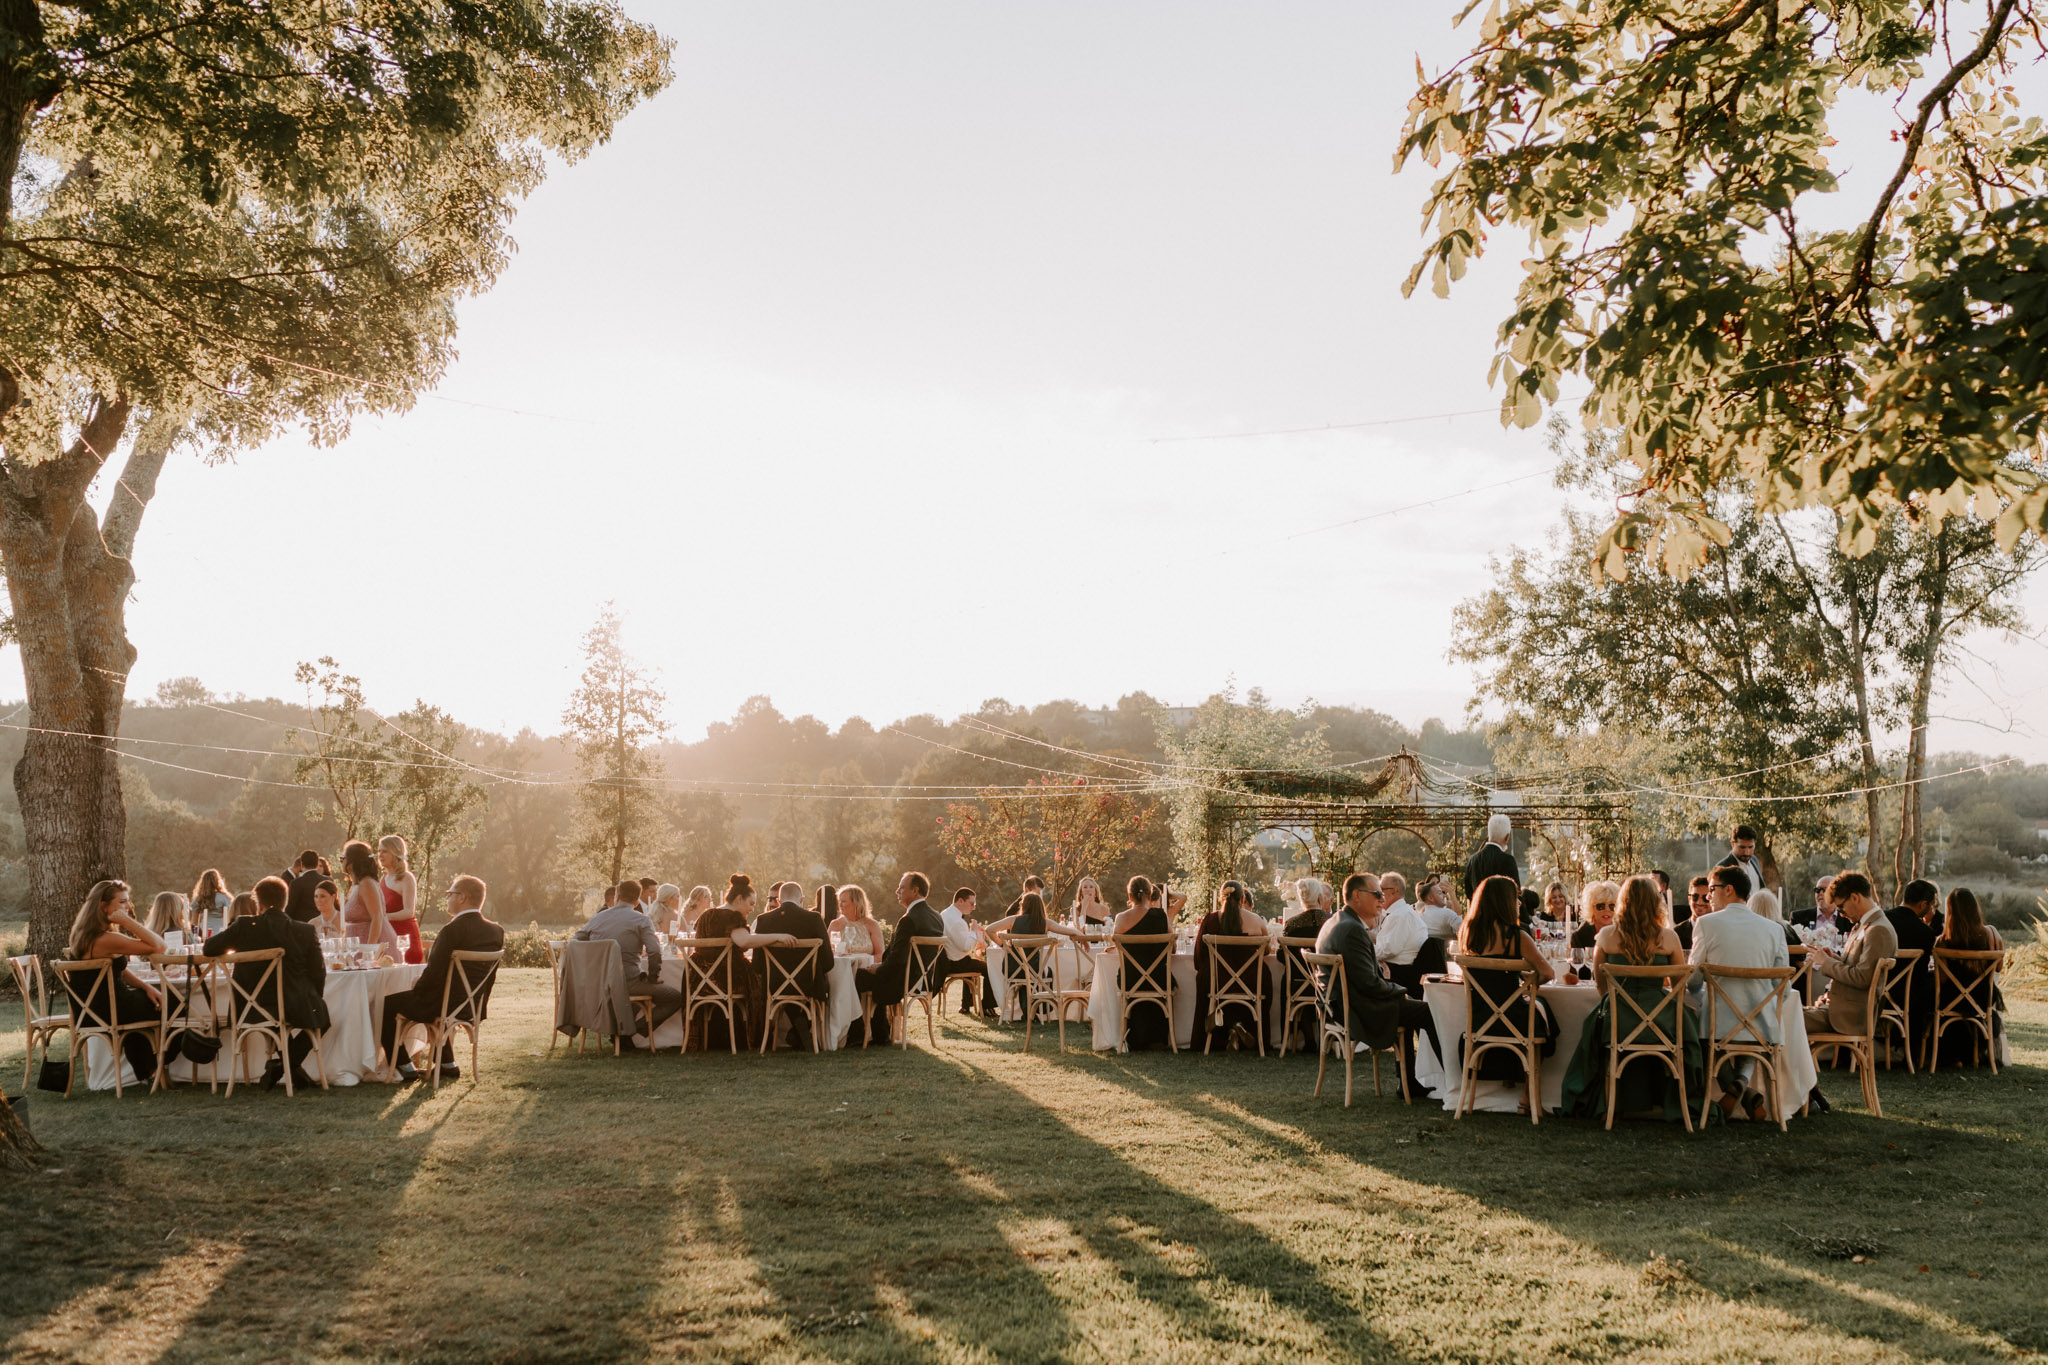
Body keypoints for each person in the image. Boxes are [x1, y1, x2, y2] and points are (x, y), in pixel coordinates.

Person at [1559, 874, 1697, 1121]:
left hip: (1618, 1021)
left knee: (1595, 1024)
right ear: (1656, 903)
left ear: (1623, 901)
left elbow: (1602, 987)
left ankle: (1604, 1104)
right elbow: (1680, 988)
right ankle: (1681, 1103)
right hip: (1662, 1023)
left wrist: (1622, 1005)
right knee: (1693, 1025)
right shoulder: (1669, 938)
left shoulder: (1607, 936)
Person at [1315, 871, 1441, 1094]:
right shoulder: (1352, 930)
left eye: (1383, 895)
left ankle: (1409, 1083)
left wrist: (1398, 993)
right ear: (1356, 896)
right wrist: (1400, 990)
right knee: (1430, 1012)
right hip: (1357, 1009)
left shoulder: (1336, 921)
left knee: (1411, 1008)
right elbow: (1369, 984)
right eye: (1376, 894)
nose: (1382, 900)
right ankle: (1455, 1079)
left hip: (1338, 1005)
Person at [204, 875, 331, 1091]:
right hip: (295, 1005)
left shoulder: (244, 926)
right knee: (322, 1016)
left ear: (259, 903)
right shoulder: (304, 930)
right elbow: (319, 973)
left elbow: (209, 949)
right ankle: (283, 1066)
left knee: (283, 1021)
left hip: (250, 1008)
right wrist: (313, 997)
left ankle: (280, 1066)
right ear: (285, 901)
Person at [378, 875, 505, 1082]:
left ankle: (405, 1066)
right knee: (438, 999)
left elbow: (434, 973)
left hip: (441, 1005)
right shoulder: (495, 931)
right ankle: (447, 1064)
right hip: (469, 1004)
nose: (447, 898)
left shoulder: (451, 930)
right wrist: (476, 1005)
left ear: (462, 897)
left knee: (385, 1004)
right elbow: (488, 978)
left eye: (450, 894)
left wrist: (417, 987)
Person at [1687, 864, 1789, 1119]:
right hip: (1763, 1025)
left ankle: (1736, 1089)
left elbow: (1692, 981)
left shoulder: (1706, 924)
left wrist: (1700, 990)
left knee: (1699, 1029)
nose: (1708, 897)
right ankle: (1743, 1086)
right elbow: (1783, 991)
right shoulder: (1774, 929)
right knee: (1753, 1031)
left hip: (1717, 1024)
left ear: (1729, 890)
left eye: (1712, 890)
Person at [1456, 874, 1559, 1099]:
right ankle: (1527, 1096)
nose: (1519, 904)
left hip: (1480, 1019)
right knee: (1541, 1009)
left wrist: (1516, 974)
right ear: (1503, 902)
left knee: (1536, 1009)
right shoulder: (1516, 936)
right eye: (1515, 898)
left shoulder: (1467, 932)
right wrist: (1528, 985)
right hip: (1513, 1020)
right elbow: (1547, 973)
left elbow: (1485, 974)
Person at [67, 879, 177, 1083]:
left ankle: (148, 1070)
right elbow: (160, 946)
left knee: (149, 1002)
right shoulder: (106, 939)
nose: (128, 907)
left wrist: (145, 986)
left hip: (91, 1010)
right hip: (112, 1009)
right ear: (104, 905)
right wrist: (128, 922)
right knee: (176, 1003)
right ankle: (160, 1065)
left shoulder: (81, 934)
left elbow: (118, 970)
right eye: (122, 902)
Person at [576, 878, 685, 1039]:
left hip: (599, 982)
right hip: (629, 982)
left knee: (634, 997)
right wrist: (653, 977)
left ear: (618, 896)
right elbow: (654, 951)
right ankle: (633, 1031)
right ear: (637, 900)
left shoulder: (597, 919)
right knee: (675, 998)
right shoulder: (641, 919)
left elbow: (576, 942)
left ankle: (623, 1031)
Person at [1803, 871, 1899, 1046]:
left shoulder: (1878, 930)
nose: (1841, 913)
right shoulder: (1866, 925)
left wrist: (1826, 963)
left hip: (1848, 1016)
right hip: (1839, 1008)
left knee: (1784, 1017)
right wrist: (1833, 959)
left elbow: (1863, 978)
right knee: (1785, 1013)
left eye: (1840, 907)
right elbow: (1859, 967)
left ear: (1855, 897)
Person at [689, 875, 782, 1050]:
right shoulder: (732, 917)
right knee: (765, 980)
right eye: (751, 903)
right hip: (727, 979)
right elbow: (744, 941)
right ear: (739, 899)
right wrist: (777, 937)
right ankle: (758, 1038)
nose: (751, 909)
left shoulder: (706, 915)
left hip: (699, 979)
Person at [858, 872, 947, 1045]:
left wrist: (879, 968)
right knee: (874, 974)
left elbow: (898, 958)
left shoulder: (909, 919)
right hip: (926, 980)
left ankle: (870, 1034)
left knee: (859, 977)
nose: (897, 891)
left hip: (905, 980)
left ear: (915, 891)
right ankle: (882, 1033)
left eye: (901, 887)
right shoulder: (936, 916)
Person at [750, 882, 833, 1049]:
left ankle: (798, 1027)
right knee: (824, 983)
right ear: (802, 900)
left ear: (779, 901)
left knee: (787, 984)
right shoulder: (814, 918)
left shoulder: (763, 920)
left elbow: (757, 966)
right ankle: (804, 1028)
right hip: (809, 984)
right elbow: (828, 962)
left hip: (775, 985)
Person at [1930, 887, 2005, 1068]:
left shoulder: (1942, 941)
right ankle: (1975, 1054)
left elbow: (1941, 980)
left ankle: (1952, 1056)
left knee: (1933, 1000)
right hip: (1981, 998)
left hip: (1952, 999)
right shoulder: (1991, 935)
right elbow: (1999, 968)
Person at [1193, 880, 1267, 1051]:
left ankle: (1223, 1032)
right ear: (1242, 899)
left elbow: (1199, 957)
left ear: (1221, 898)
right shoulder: (1256, 921)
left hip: (1218, 981)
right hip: (1250, 982)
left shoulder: (1210, 920)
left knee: (1204, 977)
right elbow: (1267, 951)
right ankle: (1240, 1026)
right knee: (1265, 979)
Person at [1111, 876, 1174, 1051]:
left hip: (1130, 979)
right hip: (1159, 979)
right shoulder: (1160, 916)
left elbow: (1118, 947)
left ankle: (1133, 1036)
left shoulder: (1121, 918)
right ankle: (1160, 1038)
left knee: (1130, 979)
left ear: (1130, 897)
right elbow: (1173, 948)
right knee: (1169, 981)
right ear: (1150, 895)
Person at [341, 840, 400, 960]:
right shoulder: (356, 885)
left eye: (343, 858)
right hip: (356, 947)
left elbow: (377, 916)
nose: (341, 861)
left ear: (351, 864)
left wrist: (369, 952)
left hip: (371, 946)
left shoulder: (366, 883)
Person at [939, 887, 989, 1016]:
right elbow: (966, 946)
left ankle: (966, 1005)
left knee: (969, 961)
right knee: (989, 968)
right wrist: (973, 931)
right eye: (971, 904)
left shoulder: (944, 913)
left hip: (946, 960)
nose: (973, 907)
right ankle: (988, 1006)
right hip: (955, 963)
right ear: (960, 901)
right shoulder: (957, 921)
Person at [377, 835, 424, 965]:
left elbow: (409, 912)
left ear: (395, 852)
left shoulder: (407, 878)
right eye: (379, 851)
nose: (380, 855)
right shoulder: (384, 878)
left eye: (384, 851)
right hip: (388, 938)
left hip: (405, 939)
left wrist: (383, 917)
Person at [1373, 871, 1428, 970]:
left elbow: (1388, 950)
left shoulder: (1400, 915)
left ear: (1393, 891)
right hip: (1400, 969)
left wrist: (1361, 950)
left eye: (1380, 890)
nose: (1378, 895)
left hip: (1399, 973)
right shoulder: (1402, 912)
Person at [1461, 813, 1518, 899]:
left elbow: (1469, 892)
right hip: (1501, 912)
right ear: (1507, 837)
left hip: (1479, 911)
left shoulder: (1472, 860)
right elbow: (1515, 892)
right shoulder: (1508, 860)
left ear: (1489, 834)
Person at [831, 886, 884, 956]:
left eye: (843, 901)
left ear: (856, 903)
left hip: (868, 966)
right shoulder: (835, 924)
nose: (840, 905)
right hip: (843, 966)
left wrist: (864, 964)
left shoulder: (872, 925)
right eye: (839, 901)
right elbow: (828, 954)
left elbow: (880, 954)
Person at [1570, 881, 1619, 952]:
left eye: (1612, 906)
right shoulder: (1579, 937)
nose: (1607, 910)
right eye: (1601, 906)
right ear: (1591, 907)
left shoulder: (1623, 933)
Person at [1415, 875, 1462, 942]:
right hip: (1445, 950)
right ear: (1430, 898)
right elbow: (1465, 929)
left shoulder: (1419, 916)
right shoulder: (1447, 913)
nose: (1444, 895)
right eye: (1440, 893)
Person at [281, 850, 324, 923]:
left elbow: (290, 908)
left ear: (302, 864)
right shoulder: (327, 880)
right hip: (323, 923)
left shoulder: (296, 883)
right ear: (317, 864)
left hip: (302, 925)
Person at [189, 869, 233, 934]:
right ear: (218, 881)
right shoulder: (224, 897)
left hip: (204, 931)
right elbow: (228, 919)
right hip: (220, 931)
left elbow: (194, 922)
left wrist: (196, 935)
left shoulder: (198, 899)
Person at [1676, 876, 1713, 951]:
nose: (1700, 902)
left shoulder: (1721, 930)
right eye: (1695, 897)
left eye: (1705, 898)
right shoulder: (1677, 933)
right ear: (1689, 899)